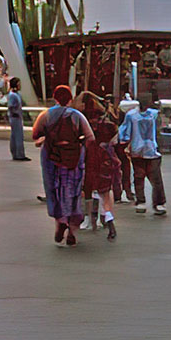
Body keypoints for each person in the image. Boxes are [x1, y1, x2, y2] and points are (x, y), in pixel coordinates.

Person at [32, 85, 95, 247]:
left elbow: (35, 134)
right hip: (73, 160)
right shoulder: (77, 116)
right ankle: (72, 231)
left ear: (54, 97)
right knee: (73, 192)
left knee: (54, 190)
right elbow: (90, 138)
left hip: (51, 159)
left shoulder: (46, 115)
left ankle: (60, 221)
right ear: (70, 99)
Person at [77, 92, 120, 239]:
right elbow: (115, 141)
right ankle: (108, 220)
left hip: (88, 160)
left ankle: (89, 219)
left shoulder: (82, 123)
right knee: (105, 194)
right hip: (104, 161)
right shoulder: (108, 125)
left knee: (86, 191)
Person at [122, 98, 167, 215]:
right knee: (139, 176)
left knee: (156, 177)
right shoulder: (131, 115)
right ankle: (141, 200)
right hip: (137, 150)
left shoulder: (154, 114)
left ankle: (159, 202)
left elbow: (158, 130)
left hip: (152, 149)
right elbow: (125, 131)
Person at [7, 77, 28, 161]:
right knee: (17, 135)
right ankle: (19, 154)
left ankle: (17, 153)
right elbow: (11, 106)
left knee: (16, 135)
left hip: (17, 117)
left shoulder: (16, 94)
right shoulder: (13, 95)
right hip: (15, 118)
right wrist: (15, 113)